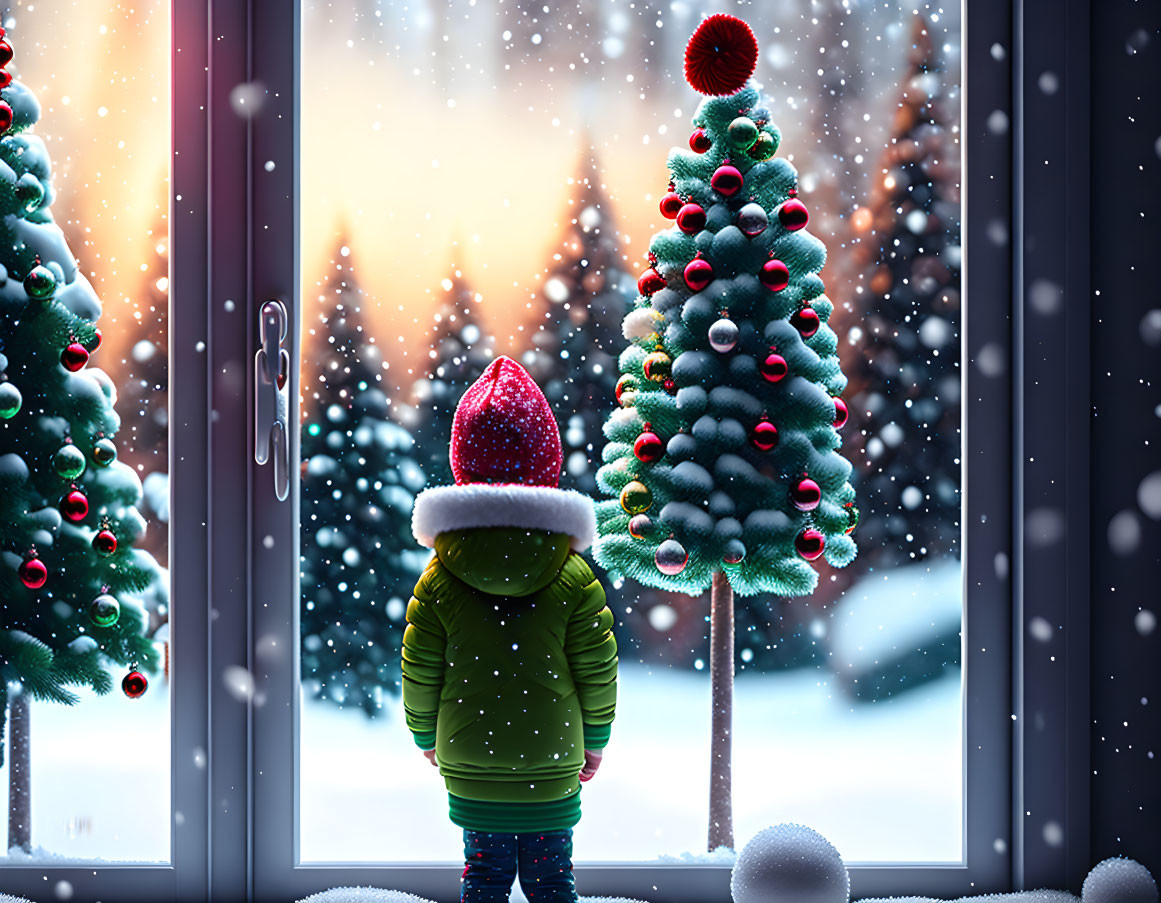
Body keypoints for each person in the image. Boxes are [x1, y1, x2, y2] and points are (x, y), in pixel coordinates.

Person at [403, 355, 618, 903]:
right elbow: (597, 670)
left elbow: (420, 668)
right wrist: (593, 741)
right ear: (547, 469)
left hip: (471, 764)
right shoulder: (573, 576)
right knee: (551, 882)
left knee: (486, 879)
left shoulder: (439, 579)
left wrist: (426, 735)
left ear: (463, 468)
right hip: (552, 763)